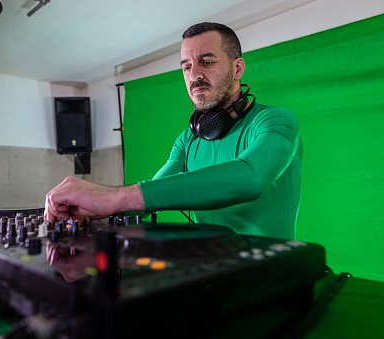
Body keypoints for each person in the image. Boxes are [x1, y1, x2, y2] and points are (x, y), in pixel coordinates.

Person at [45, 22, 302, 240]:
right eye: (186, 67)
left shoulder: (276, 121)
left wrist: (113, 197)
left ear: (238, 68)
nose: (194, 75)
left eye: (207, 61)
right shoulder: (189, 138)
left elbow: (253, 177)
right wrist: (86, 206)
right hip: (212, 271)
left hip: (275, 280)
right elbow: (152, 194)